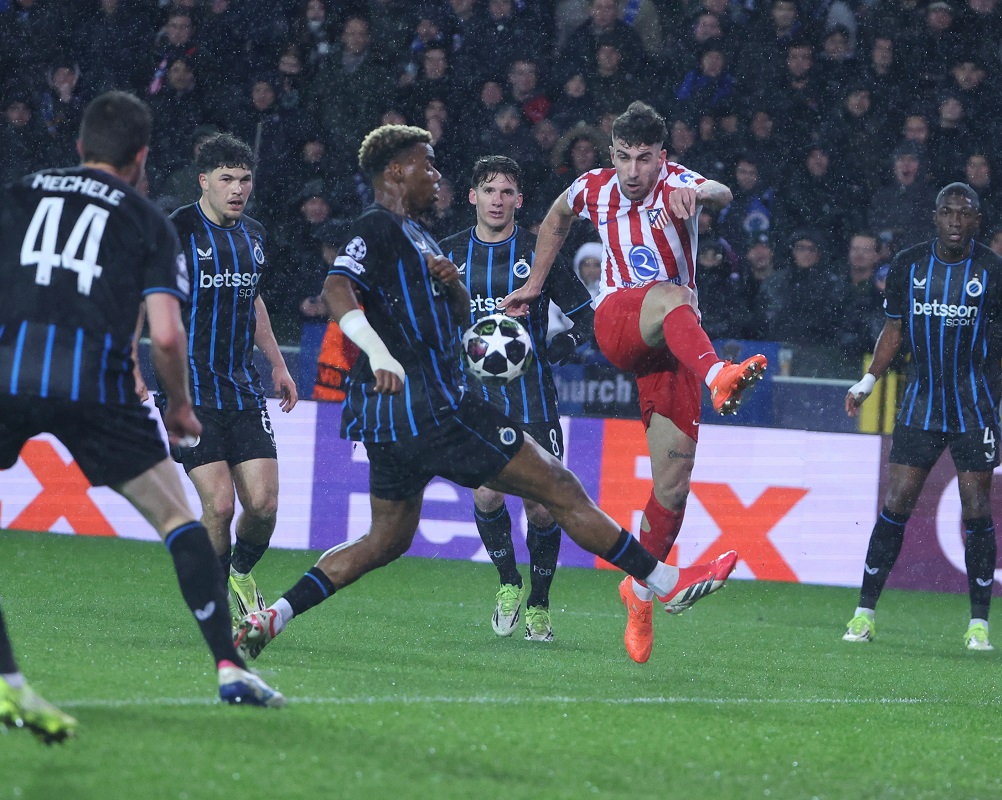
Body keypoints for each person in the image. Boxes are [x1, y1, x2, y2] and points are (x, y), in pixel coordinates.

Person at [233, 124, 737, 662]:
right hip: (431, 402)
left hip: (388, 418)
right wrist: (377, 352)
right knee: (559, 488)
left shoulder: (420, 239)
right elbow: (338, 287)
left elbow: (446, 320)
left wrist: (451, 289)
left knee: (386, 541)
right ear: (396, 171)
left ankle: (275, 615)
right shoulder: (378, 226)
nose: (436, 176)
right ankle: (664, 581)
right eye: (426, 165)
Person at [0, 92, 283, 744]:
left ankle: (11, 680)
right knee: (179, 519)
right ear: (141, 158)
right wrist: (178, 404)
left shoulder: (18, 193)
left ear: (79, 148)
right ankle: (228, 667)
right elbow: (165, 333)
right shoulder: (149, 220)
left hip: (11, 372)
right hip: (92, 384)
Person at [500, 101, 766, 665]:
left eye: (644, 159)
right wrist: (535, 286)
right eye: (623, 157)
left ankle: (640, 590)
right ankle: (720, 374)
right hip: (620, 322)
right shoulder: (593, 187)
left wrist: (698, 195)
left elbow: (722, 190)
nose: (633, 171)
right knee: (673, 294)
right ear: (611, 153)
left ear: (661, 157)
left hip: (672, 346)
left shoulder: (677, 182)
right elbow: (553, 217)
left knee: (673, 483)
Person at [843, 182, 1002, 652]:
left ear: (977, 220)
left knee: (976, 510)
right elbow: (894, 329)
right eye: (948, 212)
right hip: (920, 403)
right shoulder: (909, 266)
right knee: (896, 503)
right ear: (935, 217)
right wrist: (869, 381)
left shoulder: (996, 272)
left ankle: (979, 624)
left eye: (965, 213)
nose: (956, 220)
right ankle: (864, 613)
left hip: (975, 408)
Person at [438, 155, 596, 643]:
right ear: (473, 197)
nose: (498, 200)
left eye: (507, 192)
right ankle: (508, 583)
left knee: (543, 508)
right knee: (486, 493)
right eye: (489, 190)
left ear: (519, 200)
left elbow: (585, 313)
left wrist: (567, 343)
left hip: (534, 400)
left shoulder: (538, 252)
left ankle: (540, 605)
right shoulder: (448, 256)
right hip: (475, 400)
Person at [150, 133, 298, 629]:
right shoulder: (177, 232)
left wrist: (277, 363)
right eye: (227, 179)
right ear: (204, 181)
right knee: (219, 503)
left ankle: (239, 573)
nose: (238, 189)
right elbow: (143, 301)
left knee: (263, 505)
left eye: (245, 179)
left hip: (241, 388)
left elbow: (253, 301)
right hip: (188, 392)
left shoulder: (253, 235)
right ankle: (212, 605)